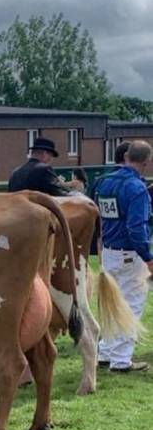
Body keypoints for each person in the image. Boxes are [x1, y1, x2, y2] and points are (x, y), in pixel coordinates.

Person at [96, 140, 153, 373]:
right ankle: (121, 360)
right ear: (146, 162)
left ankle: (105, 352)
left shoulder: (103, 182)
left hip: (109, 250)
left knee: (111, 303)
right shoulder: (136, 188)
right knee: (132, 305)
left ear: (126, 156)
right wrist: (148, 257)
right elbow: (136, 227)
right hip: (131, 253)